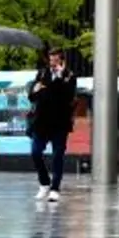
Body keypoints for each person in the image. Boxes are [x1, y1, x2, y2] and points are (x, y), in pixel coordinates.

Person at [28, 47, 77, 203]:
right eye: (51, 60)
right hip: (41, 121)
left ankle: (55, 188)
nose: (53, 63)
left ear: (62, 60)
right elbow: (32, 95)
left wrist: (56, 82)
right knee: (35, 152)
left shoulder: (69, 76)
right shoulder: (42, 73)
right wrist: (48, 89)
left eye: (56, 60)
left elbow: (66, 96)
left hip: (60, 122)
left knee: (58, 155)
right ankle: (44, 182)